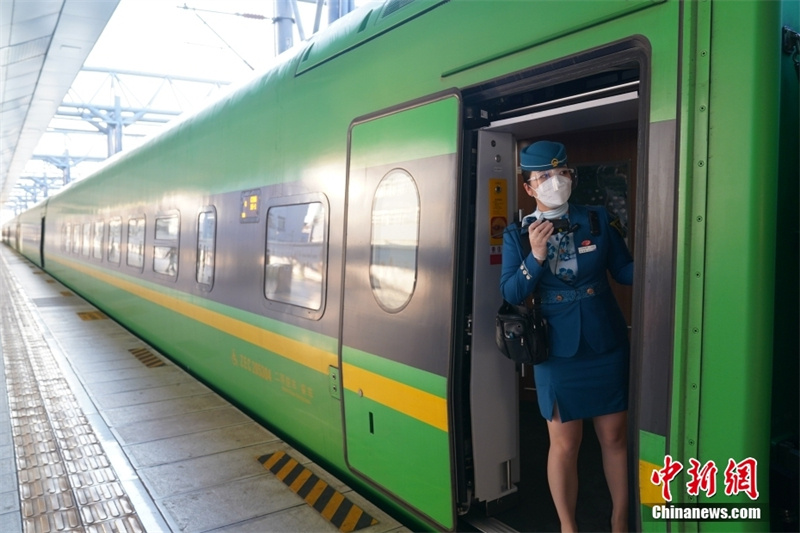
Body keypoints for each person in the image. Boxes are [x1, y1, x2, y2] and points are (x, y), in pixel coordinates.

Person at [500, 140, 633, 533]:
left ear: (571, 176)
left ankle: (620, 522)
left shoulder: (597, 219)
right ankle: (567, 526)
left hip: (605, 342)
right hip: (556, 350)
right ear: (529, 187)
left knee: (614, 437)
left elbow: (624, 271)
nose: (554, 181)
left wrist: (663, 259)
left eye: (561, 173)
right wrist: (536, 256)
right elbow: (511, 292)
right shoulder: (518, 235)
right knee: (565, 444)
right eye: (543, 176)